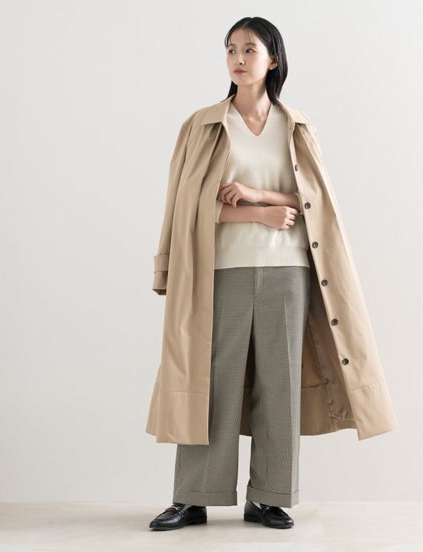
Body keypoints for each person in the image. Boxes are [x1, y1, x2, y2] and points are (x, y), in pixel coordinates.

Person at [149, 16, 308, 530]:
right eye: (231, 49)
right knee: (210, 381)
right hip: (221, 268)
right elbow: (187, 205)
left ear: (273, 59)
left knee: (280, 386)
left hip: (288, 270)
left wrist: (259, 195)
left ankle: (270, 496)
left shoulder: (295, 125)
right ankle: (193, 496)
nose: (238, 59)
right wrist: (257, 216)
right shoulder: (203, 125)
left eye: (250, 49)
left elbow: (313, 201)